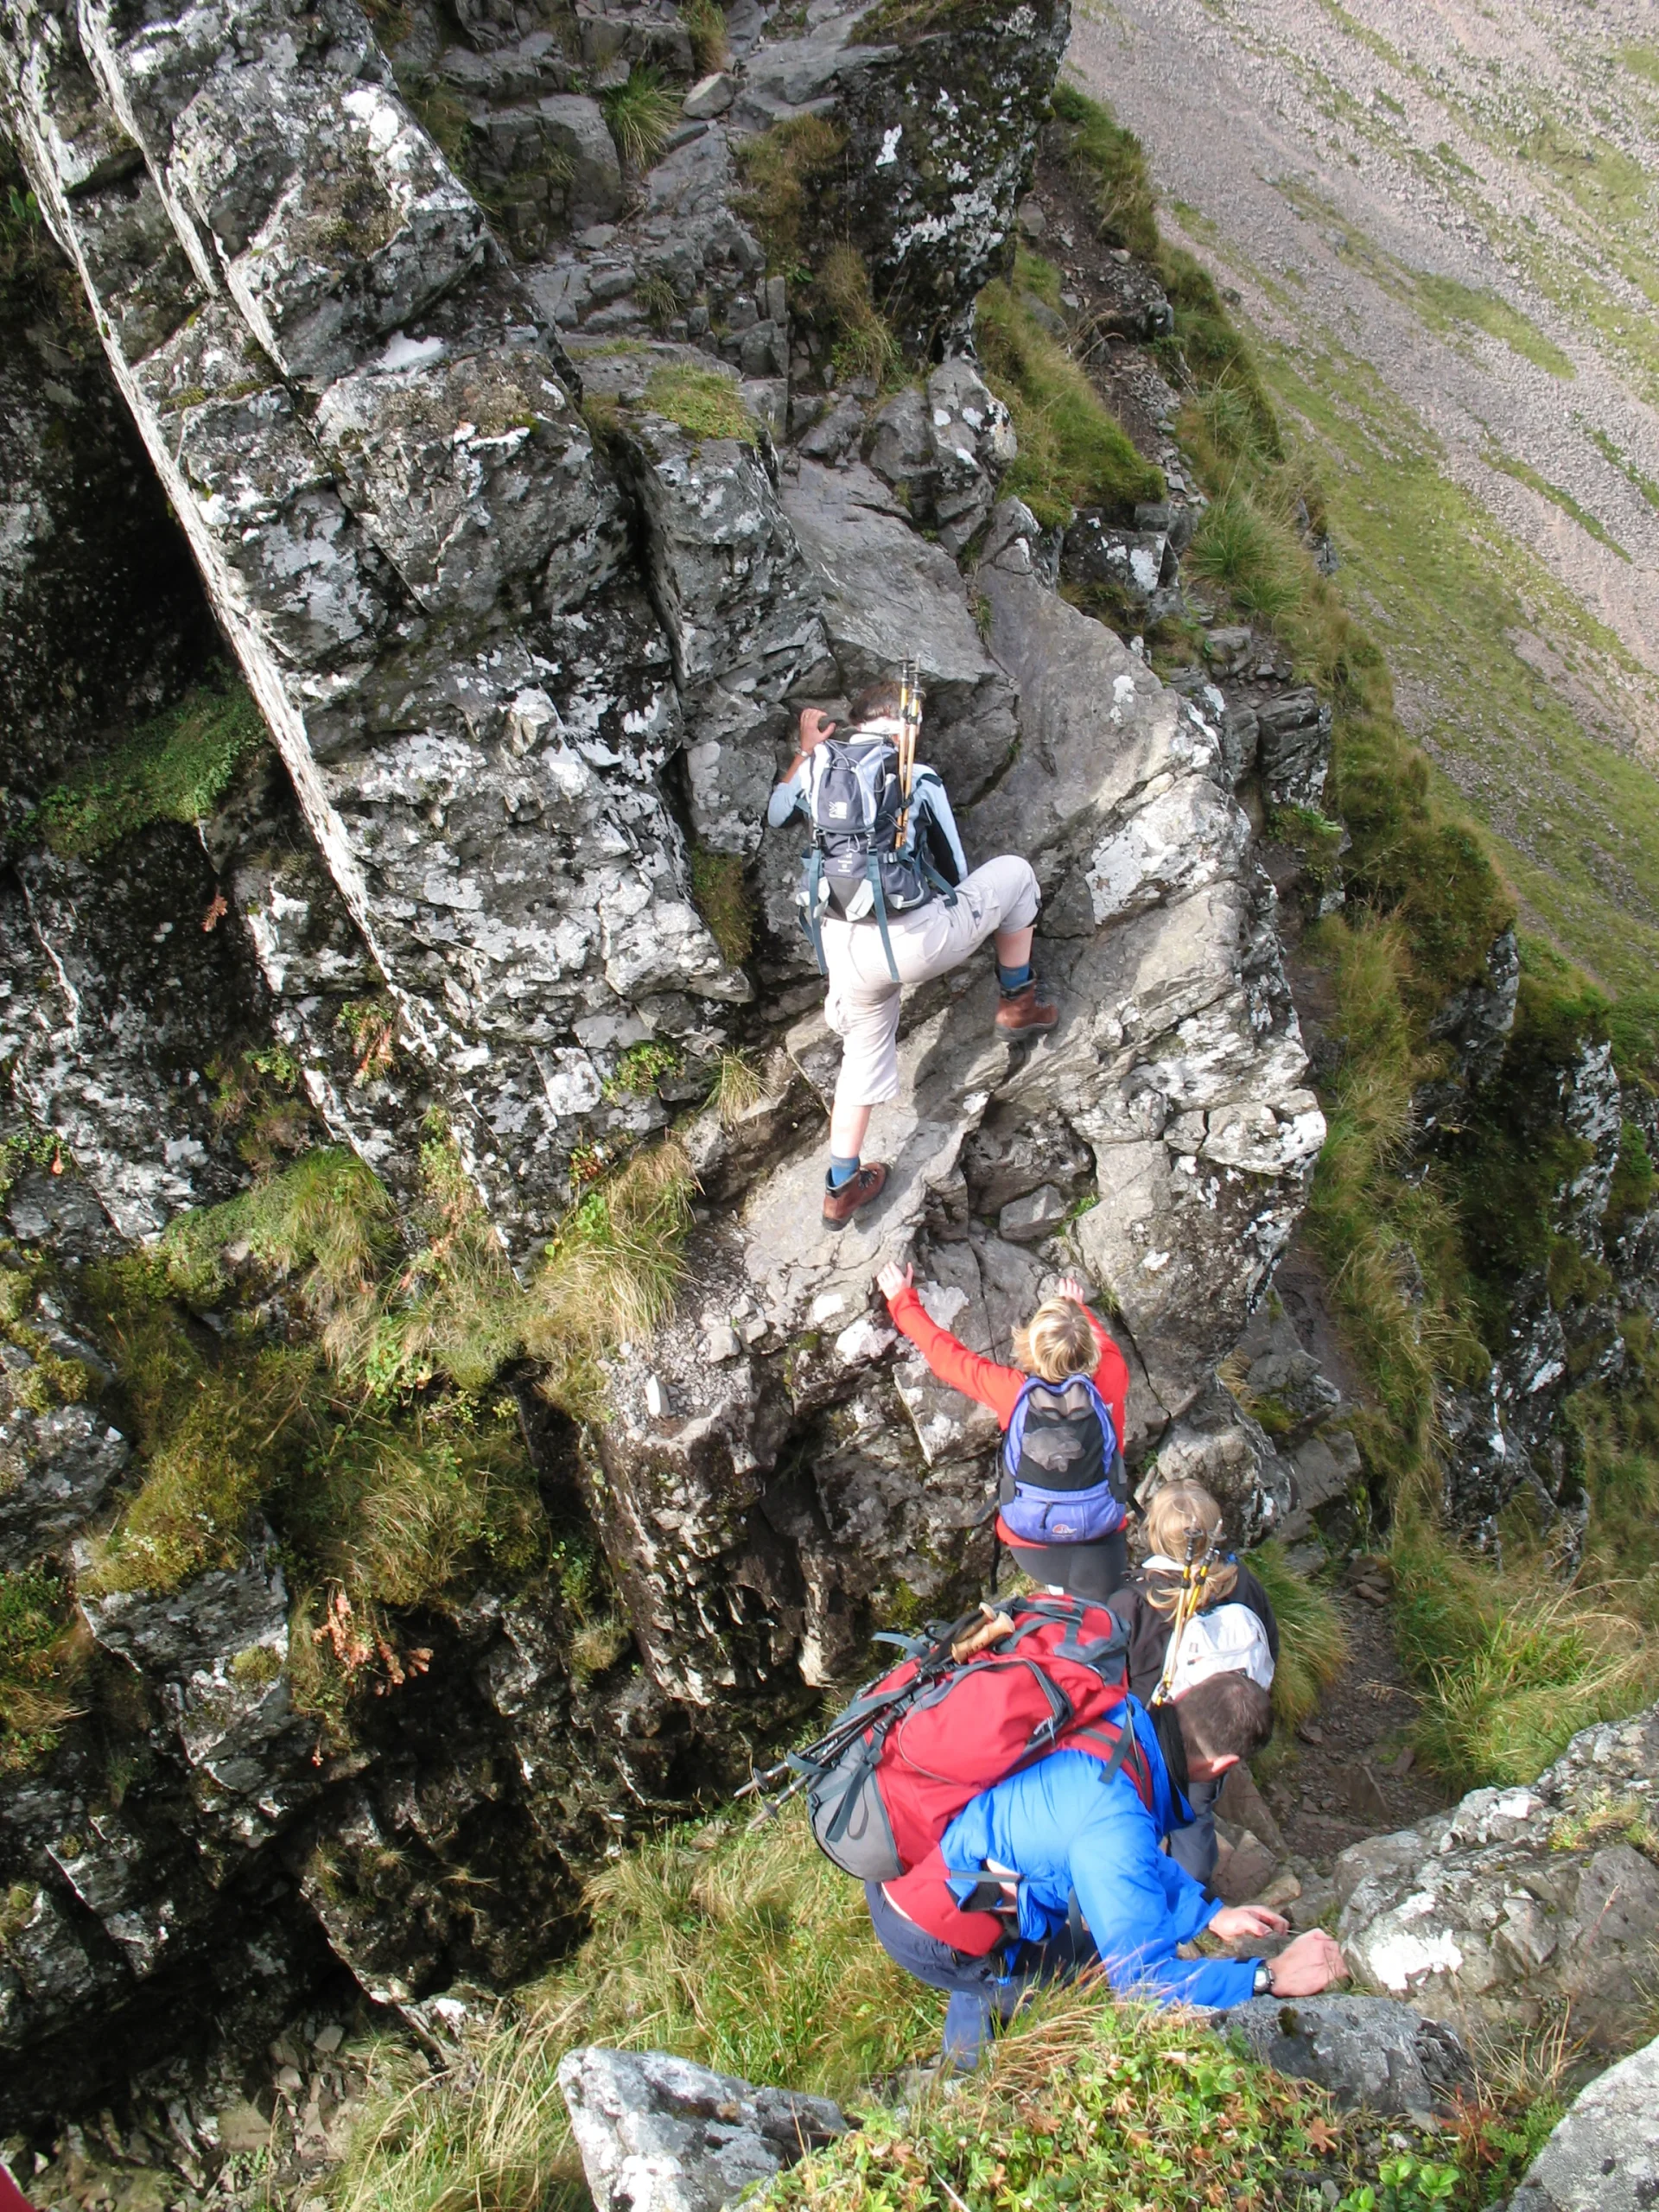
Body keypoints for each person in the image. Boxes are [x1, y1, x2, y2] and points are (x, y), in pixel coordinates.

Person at [865, 1669, 1348, 2069]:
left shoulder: (1116, 1713)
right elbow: (1146, 1988)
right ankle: (968, 2086)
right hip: (929, 1928)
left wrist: (1208, 1915)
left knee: (1083, 1938)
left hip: (911, 1861)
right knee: (1063, 1968)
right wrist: (1269, 1976)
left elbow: (1117, 1844)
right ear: (1224, 1765)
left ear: (1181, 1697)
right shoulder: (1117, 1821)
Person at [768, 679, 1058, 1231]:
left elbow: (779, 813)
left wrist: (805, 748)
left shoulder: (819, 767)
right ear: (901, 724)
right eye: (916, 720)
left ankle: (841, 1186)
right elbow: (956, 870)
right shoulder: (913, 776)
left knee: (862, 1052)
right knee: (1016, 876)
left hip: (840, 944)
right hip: (910, 942)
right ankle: (1018, 1003)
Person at [876, 1262, 1132, 1599]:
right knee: (1105, 1625)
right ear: (1088, 1348)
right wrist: (1077, 1310)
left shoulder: (1012, 1391)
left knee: (1066, 1612)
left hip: (1032, 1542)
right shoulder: (1112, 1373)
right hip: (1100, 1533)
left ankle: (1057, 1596)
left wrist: (902, 1300)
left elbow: (946, 1358)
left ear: (1030, 1346)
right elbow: (1104, 1345)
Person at [1110, 1481, 1282, 1885]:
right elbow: (1270, 1646)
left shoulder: (1131, 1601)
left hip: (1147, 1740)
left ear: (1153, 1534)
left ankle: (1137, 1888)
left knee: (1135, 1813)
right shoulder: (1243, 1583)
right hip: (1213, 1741)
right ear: (1213, 1530)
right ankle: (1192, 1889)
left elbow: (1108, 1678)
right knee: (1195, 1815)